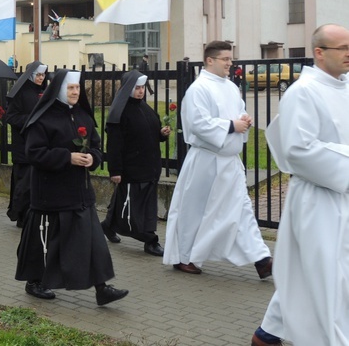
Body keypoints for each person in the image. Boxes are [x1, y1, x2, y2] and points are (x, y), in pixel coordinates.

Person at [251, 24, 349, 346]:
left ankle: (267, 334)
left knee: (315, 274)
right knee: (323, 275)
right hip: (318, 199)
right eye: (342, 47)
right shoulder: (302, 92)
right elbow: (298, 150)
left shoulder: (345, 86)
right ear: (320, 53)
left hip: (342, 196)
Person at [15, 69, 129, 306]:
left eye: (77, 88)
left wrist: (93, 159)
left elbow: (96, 146)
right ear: (58, 90)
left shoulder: (84, 116)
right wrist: (67, 157)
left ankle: (102, 288)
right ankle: (34, 281)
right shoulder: (43, 118)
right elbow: (34, 153)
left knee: (94, 242)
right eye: (70, 88)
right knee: (45, 241)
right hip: (50, 194)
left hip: (80, 193)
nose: (76, 92)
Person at [162, 41, 272, 278]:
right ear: (210, 60)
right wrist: (232, 125)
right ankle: (184, 257)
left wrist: (244, 120)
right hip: (206, 160)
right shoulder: (198, 89)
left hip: (229, 161)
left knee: (241, 210)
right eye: (225, 59)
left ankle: (262, 259)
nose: (230, 64)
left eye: (230, 59)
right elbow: (198, 124)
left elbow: (238, 112)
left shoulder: (231, 87)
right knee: (196, 210)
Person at [100, 70, 170, 256]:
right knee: (135, 209)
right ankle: (150, 240)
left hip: (150, 167)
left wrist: (161, 134)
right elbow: (114, 145)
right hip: (132, 169)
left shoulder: (145, 108)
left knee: (141, 205)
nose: (140, 92)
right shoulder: (119, 113)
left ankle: (107, 226)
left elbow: (149, 133)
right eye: (136, 88)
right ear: (127, 89)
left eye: (142, 88)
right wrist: (115, 170)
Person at [5, 61, 47, 227]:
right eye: (38, 75)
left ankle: (31, 214)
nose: (41, 78)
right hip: (23, 146)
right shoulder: (20, 93)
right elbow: (11, 117)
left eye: (43, 75)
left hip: (39, 145)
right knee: (23, 184)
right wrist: (31, 120)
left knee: (34, 183)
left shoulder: (44, 91)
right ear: (30, 75)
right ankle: (20, 215)